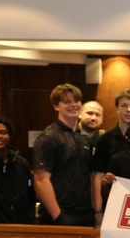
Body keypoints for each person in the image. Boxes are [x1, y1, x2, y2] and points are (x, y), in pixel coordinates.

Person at [33, 84, 95, 226]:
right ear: (56, 107)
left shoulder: (83, 138)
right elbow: (41, 180)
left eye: (76, 101)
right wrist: (58, 216)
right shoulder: (48, 136)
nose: (73, 105)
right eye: (67, 102)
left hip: (85, 213)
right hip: (60, 215)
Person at [91, 88, 130, 213]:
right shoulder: (105, 140)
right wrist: (98, 211)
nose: (128, 110)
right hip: (112, 206)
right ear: (117, 109)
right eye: (124, 105)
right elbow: (98, 176)